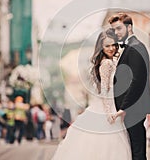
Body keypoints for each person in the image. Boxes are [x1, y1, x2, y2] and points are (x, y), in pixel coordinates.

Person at [52, 28, 131, 160]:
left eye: (113, 45)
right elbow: (105, 90)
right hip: (107, 108)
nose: (111, 48)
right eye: (107, 45)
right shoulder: (107, 63)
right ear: (101, 47)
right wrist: (109, 113)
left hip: (101, 107)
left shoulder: (104, 62)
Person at [109, 13, 150, 160]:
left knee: (137, 152)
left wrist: (124, 108)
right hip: (131, 108)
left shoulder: (135, 47)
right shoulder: (130, 47)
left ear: (129, 27)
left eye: (119, 29)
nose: (116, 33)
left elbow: (137, 80)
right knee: (134, 150)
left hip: (133, 108)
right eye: (114, 30)